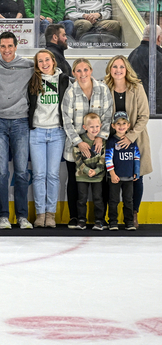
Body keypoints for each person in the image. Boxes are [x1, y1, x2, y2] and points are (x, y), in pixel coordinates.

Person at [0, 32, 34, 228]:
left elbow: (52, 70)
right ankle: (3, 216)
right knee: (1, 173)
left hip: (20, 122)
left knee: (22, 172)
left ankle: (22, 216)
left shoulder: (28, 65)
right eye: (3, 46)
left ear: (16, 47)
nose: (6, 50)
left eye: (10, 46)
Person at [61, 57, 114, 227]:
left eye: (85, 70)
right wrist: (78, 142)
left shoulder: (102, 89)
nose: (82, 74)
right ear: (73, 73)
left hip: (98, 144)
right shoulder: (70, 92)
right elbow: (66, 121)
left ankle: (100, 218)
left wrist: (100, 136)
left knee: (101, 181)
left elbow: (108, 115)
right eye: (78, 70)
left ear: (91, 71)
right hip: (76, 146)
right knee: (74, 181)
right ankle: (75, 217)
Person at [103, 55, 151, 229]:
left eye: (121, 67)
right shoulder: (104, 87)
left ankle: (133, 214)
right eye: (114, 67)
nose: (118, 70)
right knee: (110, 179)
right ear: (110, 69)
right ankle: (110, 217)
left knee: (136, 178)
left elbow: (144, 115)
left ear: (127, 69)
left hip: (135, 140)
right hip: (112, 142)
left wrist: (130, 136)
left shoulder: (137, 87)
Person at [27, 49, 70, 228]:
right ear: (37, 65)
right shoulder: (33, 80)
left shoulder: (64, 80)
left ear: (53, 61)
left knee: (52, 175)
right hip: (37, 132)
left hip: (57, 132)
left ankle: (51, 214)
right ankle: (40, 214)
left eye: (47, 60)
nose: (44, 64)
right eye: (40, 61)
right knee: (38, 175)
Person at [105, 111, 140, 230]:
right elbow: (108, 158)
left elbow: (136, 157)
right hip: (115, 177)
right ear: (113, 126)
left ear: (128, 125)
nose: (121, 126)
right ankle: (113, 222)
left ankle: (129, 222)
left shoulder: (132, 141)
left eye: (124, 123)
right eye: (118, 123)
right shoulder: (111, 141)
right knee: (113, 200)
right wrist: (112, 173)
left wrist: (136, 171)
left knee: (128, 200)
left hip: (128, 177)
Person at [72, 112, 106, 229]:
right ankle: (81, 220)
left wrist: (96, 171)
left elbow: (104, 159)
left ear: (101, 126)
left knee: (98, 199)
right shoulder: (80, 141)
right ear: (85, 127)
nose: (94, 129)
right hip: (82, 175)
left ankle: (99, 220)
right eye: (91, 127)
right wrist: (87, 170)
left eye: (97, 126)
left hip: (98, 176)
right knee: (81, 199)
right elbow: (77, 159)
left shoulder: (102, 142)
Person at [128, 24, 162, 114]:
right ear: (159, 38)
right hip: (155, 109)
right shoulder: (157, 57)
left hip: (135, 105)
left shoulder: (132, 54)